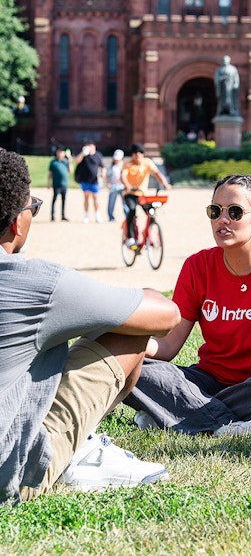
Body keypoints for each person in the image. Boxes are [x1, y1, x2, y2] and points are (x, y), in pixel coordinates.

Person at [0, 150, 181, 504]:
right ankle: (78, 448)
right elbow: (165, 315)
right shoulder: (38, 283)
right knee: (127, 330)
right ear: (17, 223)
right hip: (9, 472)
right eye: (32, 207)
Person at [125, 174, 251, 436]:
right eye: (215, 211)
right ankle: (227, 424)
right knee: (129, 366)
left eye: (234, 212)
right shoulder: (197, 266)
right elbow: (167, 346)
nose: (223, 219)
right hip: (208, 382)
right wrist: (124, 340)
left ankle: (181, 415)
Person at [121, 143, 171, 250]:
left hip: (143, 195)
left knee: (152, 213)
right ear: (133, 155)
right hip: (130, 193)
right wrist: (128, 186)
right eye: (136, 154)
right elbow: (123, 176)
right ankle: (130, 237)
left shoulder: (147, 163)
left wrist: (165, 183)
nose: (139, 156)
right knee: (132, 209)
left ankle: (147, 234)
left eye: (141, 154)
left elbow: (156, 173)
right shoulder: (127, 164)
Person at [74, 141, 106, 223]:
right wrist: (82, 153)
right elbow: (77, 161)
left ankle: (97, 215)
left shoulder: (97, 155)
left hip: (94, 180)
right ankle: (86, 215)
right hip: (85, 180)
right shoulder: (84, 155)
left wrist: (103, 173)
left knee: (95, 198)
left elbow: (102, 166)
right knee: (86, 198)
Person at [48, 146, 73, 221]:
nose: (60, 153)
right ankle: (52, 215)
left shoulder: (66, 161)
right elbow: (50, 173)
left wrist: (70, 161)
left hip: (64, 184)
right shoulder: (53, 162)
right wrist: (48, 183)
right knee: (54, 199)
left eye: (62, 152)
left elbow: (71, 171)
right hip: (56, 184)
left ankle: (63, 215)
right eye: (59, 151)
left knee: (63, 200)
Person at [107, 149, 128, 222]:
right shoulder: (111, 166)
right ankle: (111, 216)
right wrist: (108, 183)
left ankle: (128, 216)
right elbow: (108, 175)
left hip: (122, 187)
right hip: (113, 187)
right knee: (111, 203)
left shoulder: (124, 165)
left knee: (125, 203)